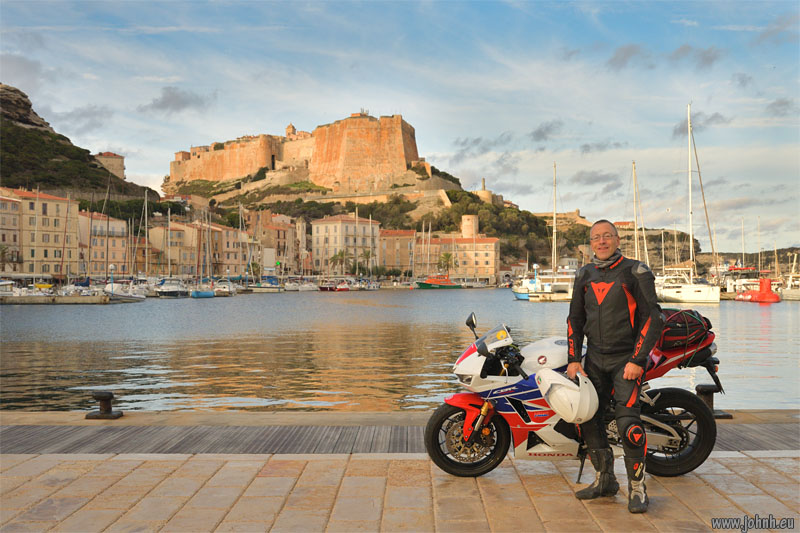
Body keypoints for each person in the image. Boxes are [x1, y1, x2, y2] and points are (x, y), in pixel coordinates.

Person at [566, 220, 663, 513]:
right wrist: (573, 358)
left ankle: (637, 488)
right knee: (586, 418)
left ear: (617, 239)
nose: (602, 241)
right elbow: (575, 319)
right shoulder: (584, 273)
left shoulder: (636, 271)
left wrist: (637, 359)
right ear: (591, 243)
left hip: (626, 360)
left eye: (607, 236)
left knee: (628, 424)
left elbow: (653, 317)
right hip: (594, 359)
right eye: (596, 237)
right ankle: (605, 480)